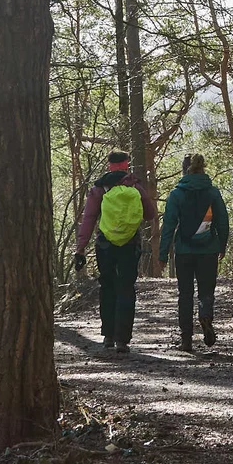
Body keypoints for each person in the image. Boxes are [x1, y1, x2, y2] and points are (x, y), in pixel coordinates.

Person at [74, 151, 147, 354]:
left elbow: (88, 219)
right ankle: (123, 339)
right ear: (126, 165)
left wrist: (80, 248)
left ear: (109, 166)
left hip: (105, 245)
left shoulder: (98, 189)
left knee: (107, 286)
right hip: (130, 244)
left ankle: (108, 336)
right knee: (126, 287)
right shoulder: (135, 187)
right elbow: (149, 214)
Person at [161, 153, 231, 351]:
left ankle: (186, 339)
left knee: (185, 294)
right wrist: (222, 244)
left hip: (184, 251)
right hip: (208, 249)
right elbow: (223, 221)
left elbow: (168, 225)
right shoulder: (213, 192)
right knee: (206, 292)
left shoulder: (176, 194)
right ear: (203, 169)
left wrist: (163, 254)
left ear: (185, 170)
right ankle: (205, 317)